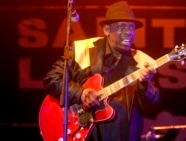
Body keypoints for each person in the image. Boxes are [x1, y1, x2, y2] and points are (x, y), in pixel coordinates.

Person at [42, 1, 160, 141]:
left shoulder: (142, 61)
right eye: (122, 27)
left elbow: (151, 107)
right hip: (82, 132)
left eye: (132, 27)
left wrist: (144, 84)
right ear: (107, 30)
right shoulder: (82, 49)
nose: (129, 32)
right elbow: (52, 78)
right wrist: (80, 93)